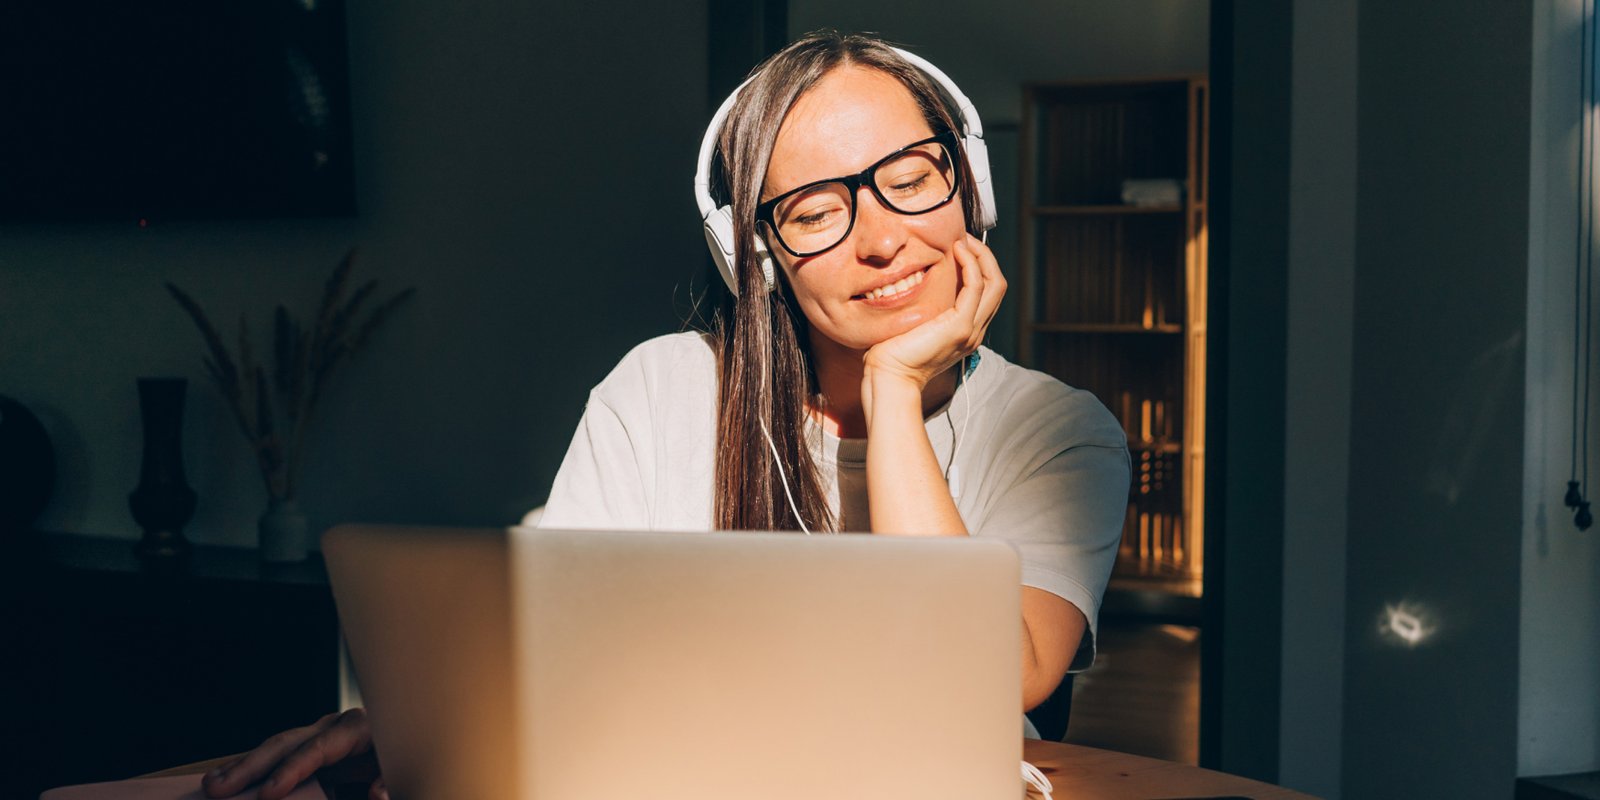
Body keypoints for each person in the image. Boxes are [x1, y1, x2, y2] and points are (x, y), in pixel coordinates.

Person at [202, 31, 1128, 800]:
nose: (883, 237)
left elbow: (984, 682)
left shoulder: (1062, 431)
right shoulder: (660, 389)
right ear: (751, 255)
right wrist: (416, 726)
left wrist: (892, 392)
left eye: (912, 176)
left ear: (970, 183)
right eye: (814, 211)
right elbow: (544, 642)